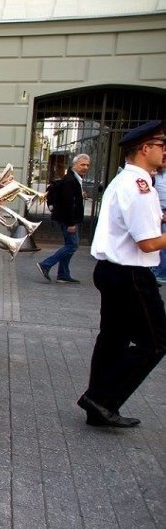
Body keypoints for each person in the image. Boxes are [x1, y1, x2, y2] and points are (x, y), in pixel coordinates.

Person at [78, 120, 166, 428]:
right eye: (162, 145)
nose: (165, 152)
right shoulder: (138, 185)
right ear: (145, 149)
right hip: (131, 274)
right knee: (156, 342)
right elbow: (148, 243)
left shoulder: (130, 181)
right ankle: (101, 398)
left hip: (114, 271)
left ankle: (98, 406)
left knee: (113, 340)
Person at [37, 154, 90, 284]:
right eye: (82, 164)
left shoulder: (75, 178)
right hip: (68, 219)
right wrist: (71, 223)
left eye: (87, 165)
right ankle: (46, 264)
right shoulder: (70, 180)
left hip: (68, 218)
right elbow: (67, 203)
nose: (85, 167)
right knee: (72, 245)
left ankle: (63, 274)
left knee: (69, 245)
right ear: (74, 165)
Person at [153, 157, 166, 283]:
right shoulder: (153, 174)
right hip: (156, 212)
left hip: (164, 211)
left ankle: (161, 273)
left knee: (162, 246)